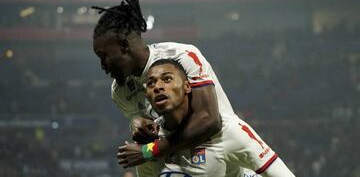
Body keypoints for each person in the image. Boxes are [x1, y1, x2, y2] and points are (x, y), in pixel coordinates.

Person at [92, 0, 294, 177]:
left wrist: (149, 150)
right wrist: (137, 125)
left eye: (104, 56)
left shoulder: (181, 56)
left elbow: (209, 120)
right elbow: (150, 126)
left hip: (224, 153)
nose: (102, 65)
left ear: (124, 47)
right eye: (151, 84)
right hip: (184, 164)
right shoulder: (120, 91)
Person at [117, 59, 295, 177]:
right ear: (147, 96)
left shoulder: (228, 129)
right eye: (150, 83)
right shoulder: (148, 145)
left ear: (187, 87)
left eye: (167, 79)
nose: (158, 87)